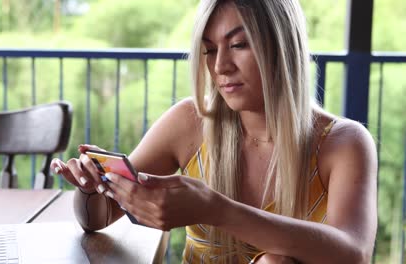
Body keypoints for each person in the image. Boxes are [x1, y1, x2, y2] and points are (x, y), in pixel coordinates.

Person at [51, 0, 377, 263]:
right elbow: (99, 218)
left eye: (237, 45)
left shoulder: (344, 143)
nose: (220, 66)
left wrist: (214, 208)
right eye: (209, 50)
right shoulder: (189, 123)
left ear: (282, 46)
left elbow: (353, 252)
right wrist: (92, 188)